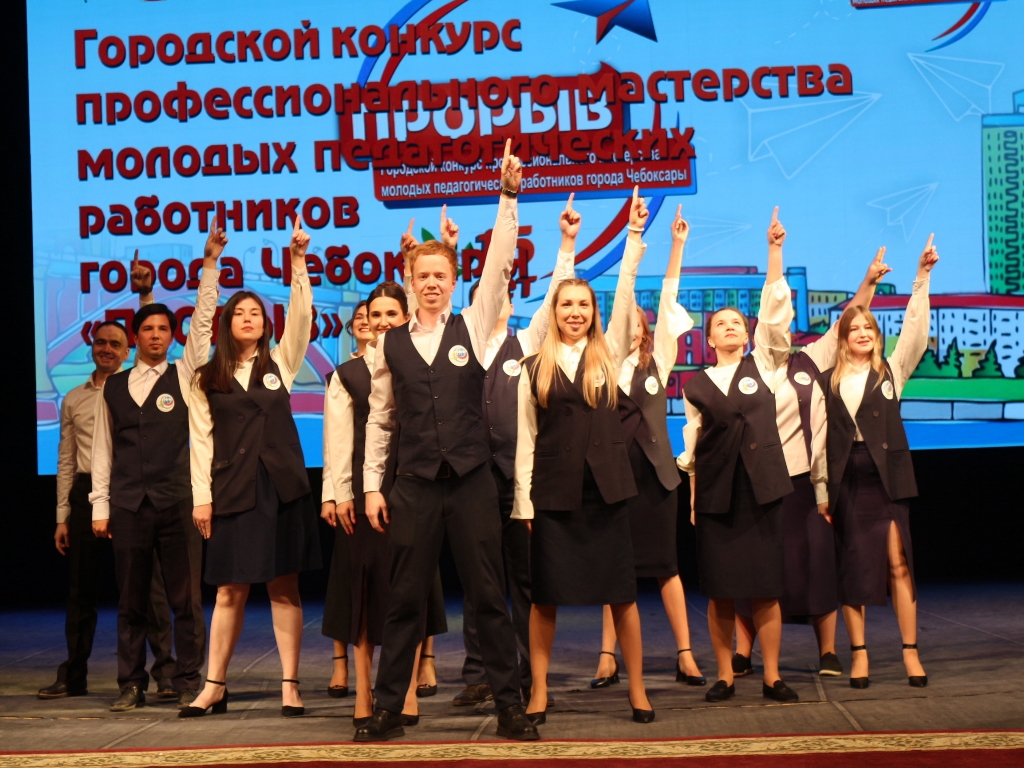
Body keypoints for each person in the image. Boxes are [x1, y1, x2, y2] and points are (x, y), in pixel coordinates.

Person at [355, 139, 537, 743]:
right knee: (404, 599)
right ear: (408, 282)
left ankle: (509, 707)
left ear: (454, 281)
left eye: (440, 275)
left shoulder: (474, 325)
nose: (431, 283)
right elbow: (381, 420)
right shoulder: (388, 343)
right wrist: (371, 488)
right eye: (422, 276)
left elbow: (499, 265)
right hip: (412, 487)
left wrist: (507, 197)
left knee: (488, 596)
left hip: (471, 482)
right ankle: (389, 709)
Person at [513, 186, 654, 725]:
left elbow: (626, 289)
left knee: (622, 596)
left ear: (594, 313)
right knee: (544, 599)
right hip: (554, 497)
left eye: (583, 305)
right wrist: (523, 503)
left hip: (606, 494)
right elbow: (526, 439)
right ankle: (539, 691)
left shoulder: (609, 354)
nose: (575, 311)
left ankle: (637, 689)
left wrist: (634, 235)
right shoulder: (534, 363)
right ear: (553, 311)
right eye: (566, 304)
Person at [182, 216, 321, 718]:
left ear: (265, 323)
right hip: (233, 490)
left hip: (280, 489)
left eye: (255, 313)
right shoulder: (206, 375)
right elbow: (201, 439)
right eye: (238, 313)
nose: (247, 318)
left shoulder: (282, 362)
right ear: (228, 322)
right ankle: (213, 685)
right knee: (228, 590)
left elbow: (301, 317)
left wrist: (298, 261)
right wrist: (211, 266)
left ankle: (290, 684)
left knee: (284, 587)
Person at [731, 248, 891, 680]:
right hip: (756, 483)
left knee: (817, 564)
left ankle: (828, 651)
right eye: (775, 323)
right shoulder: (745, 369)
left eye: (787, 323)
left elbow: (845, 324)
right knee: (756, 569)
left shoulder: (810, 359)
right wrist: (774, 255)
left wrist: (869, 282)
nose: (782, 328)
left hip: (804, 483)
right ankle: (744, 651)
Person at [453, 195, 578, 708]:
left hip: (516, 482)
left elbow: (554, 301)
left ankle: (529, 672)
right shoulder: (458, 349)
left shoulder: (525, 344)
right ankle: (480, 672)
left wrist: (567, 244)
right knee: (479, 581)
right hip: (469, 482)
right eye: (491, 295)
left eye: (505, 295)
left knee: (525, 581)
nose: (499, 299)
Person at [89, 232, 223, 712]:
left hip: (177, 501)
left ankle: (188, 680)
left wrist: (210, 265)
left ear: (171, 336)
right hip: (128, 505)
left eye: (164, 329)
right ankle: (131, 682)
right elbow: (103, 451)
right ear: (136, 337)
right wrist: (100, 506)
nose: (156, 335)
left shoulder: (184, 375)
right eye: (147, 329)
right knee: (131, 601)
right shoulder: (114, 386)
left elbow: (203, 322)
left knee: (186, 600)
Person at [676, 207, 799, 704]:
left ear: (747, 335)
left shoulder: (764, 365)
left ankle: (772, 675)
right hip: (716, 496)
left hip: (762, 491)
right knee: (721, 590)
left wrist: (774, 252)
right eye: (720, 324)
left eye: (736, 322)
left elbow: (775, 316)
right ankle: (725, 674)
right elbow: (692, 446)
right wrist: (693, 499)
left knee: (766, 588)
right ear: (708, 339)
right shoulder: (695, 385)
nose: (729, 326)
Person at [811, 236, 939, 689]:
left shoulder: (891, 370)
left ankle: (910, 652)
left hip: (887, 479)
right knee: (854, 567)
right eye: (855, 328)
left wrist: (921, 278)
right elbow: (821, 441)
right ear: (844, 337)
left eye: (869, 327)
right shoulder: (827, 380)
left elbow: (915, 333)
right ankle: (859, 654)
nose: (863, 333)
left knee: (897, 561)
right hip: (847, 481)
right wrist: (822, 492)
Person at [321, 280, 448, 726]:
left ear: (405, 317)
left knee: (406, 593)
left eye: (391, 314)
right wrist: (339, 494)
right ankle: (363, 694)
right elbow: (337, 442)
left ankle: (407, 691)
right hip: (363, 496)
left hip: (413, 490)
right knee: (363, 596)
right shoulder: (347, 374)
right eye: (375, 315)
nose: (382, 321)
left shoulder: (421, 363)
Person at [591, 204, 706, 690]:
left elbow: (670, 295)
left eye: (639, 321)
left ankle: (686, 654)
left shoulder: (659, 360)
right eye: (627, 321)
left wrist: (677, 246)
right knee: (613, 571)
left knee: (667, 567)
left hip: (657, 479)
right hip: (615, 481)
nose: (634, 326)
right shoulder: (601, 365)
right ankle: (606, 657)